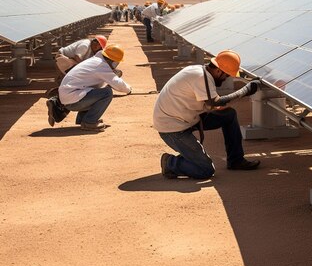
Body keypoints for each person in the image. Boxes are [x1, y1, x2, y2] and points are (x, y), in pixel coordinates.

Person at [153, 50, 260, 179]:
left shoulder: (201, 72)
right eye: (226, 75)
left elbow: (213, 105)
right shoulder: (200, 77)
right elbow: (215, 102)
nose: (226, 79)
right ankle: (170, 163)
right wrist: (246, 90)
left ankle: (235, 160)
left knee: (229, 115)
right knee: (205, 170)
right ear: (219, 70)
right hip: (173, 128)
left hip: (186, 117)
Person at [48, 44, 132, 131]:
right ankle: (89, 122)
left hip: (68, 96)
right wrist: (129, 89)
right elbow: (118, 84)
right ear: (112, 60)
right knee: (107, 93)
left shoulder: (94, 61)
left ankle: (83, 119)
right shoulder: (101, 65)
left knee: (95, 91)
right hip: (72, 99)